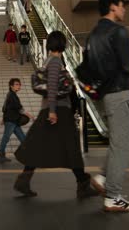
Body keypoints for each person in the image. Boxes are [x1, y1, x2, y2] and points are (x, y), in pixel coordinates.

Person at [13, 31, 95, 200]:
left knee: (37, 145)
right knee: (71, 147)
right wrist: (52, 110)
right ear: (62, 44)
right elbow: (51, 87)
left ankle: (24, 180)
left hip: (50, 109)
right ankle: (83, 185)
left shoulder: (48, 60)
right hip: (59, 110)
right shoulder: (56, 61)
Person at [85, 0, 129, 212]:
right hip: (120, 92)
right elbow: (128, 64)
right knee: (124, 143)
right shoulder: (117, 31)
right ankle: (113, 196)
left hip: (104, 96)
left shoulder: (92, 35)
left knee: (118, 141)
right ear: (113, 7)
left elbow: (87, 68)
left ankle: (102, 178)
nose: (124, 9)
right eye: (122, 5)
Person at [0, 78, 34, 163]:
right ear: (11, 86)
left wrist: (3, 118)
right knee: (6, 138)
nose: (19, 86)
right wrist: (31, 116)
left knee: (22, 138)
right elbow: (20, 109)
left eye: (19, 84)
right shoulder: (12, 95)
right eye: (17, 84)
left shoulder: (10, 95)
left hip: (14, 121)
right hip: (11, 121)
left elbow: (5, 108)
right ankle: (1, 155)